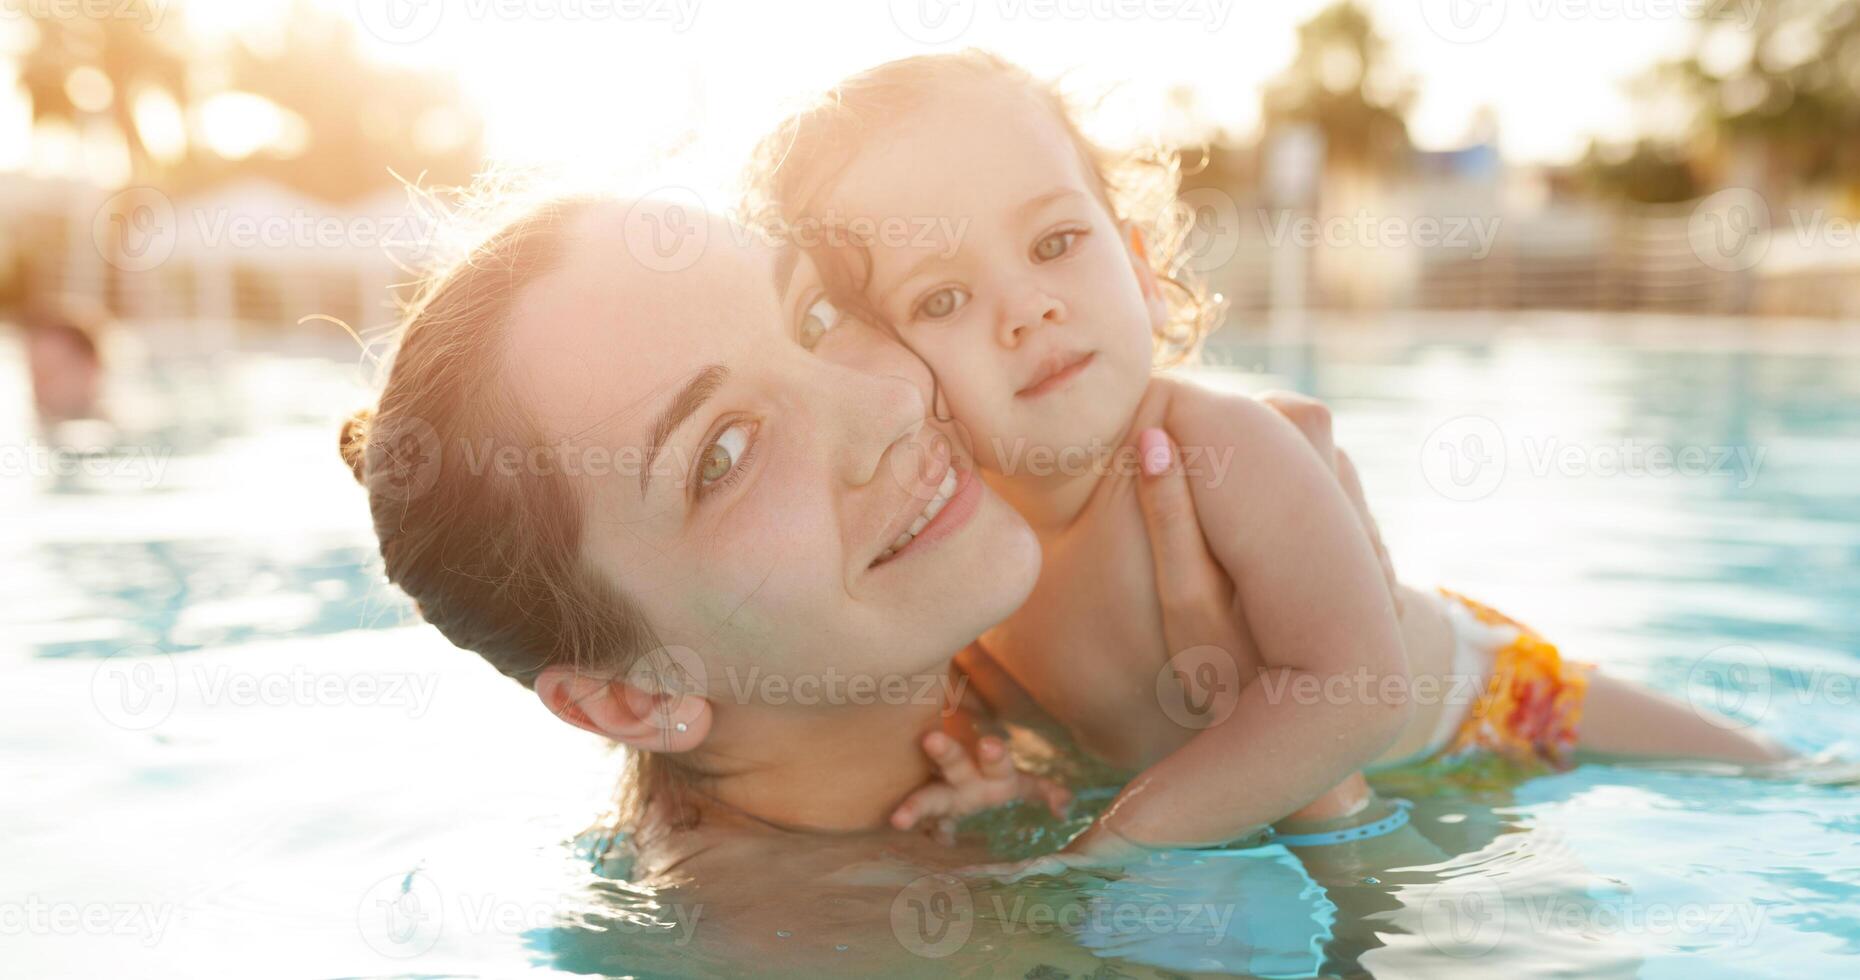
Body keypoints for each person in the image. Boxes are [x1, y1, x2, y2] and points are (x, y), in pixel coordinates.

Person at [744, 51, 1792, 859]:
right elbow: (1080, 746)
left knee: (1768, 774)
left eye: (1057, 241)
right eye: (944, 297)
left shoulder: (1211, 447)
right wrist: (1019, 790)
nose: (1029, 308)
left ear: (1144, 268)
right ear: (891, 375)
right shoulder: (972, 579)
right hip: (1358, 783)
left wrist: (1118, 845)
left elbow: (1359, 686)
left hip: (1486, 693)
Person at [337, 195, 1407, 972]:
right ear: (634, 694)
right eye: (723, 451)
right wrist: (1301, 765)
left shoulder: (982, 675)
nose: (887, 400)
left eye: (811, 317)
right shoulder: (829, 950)